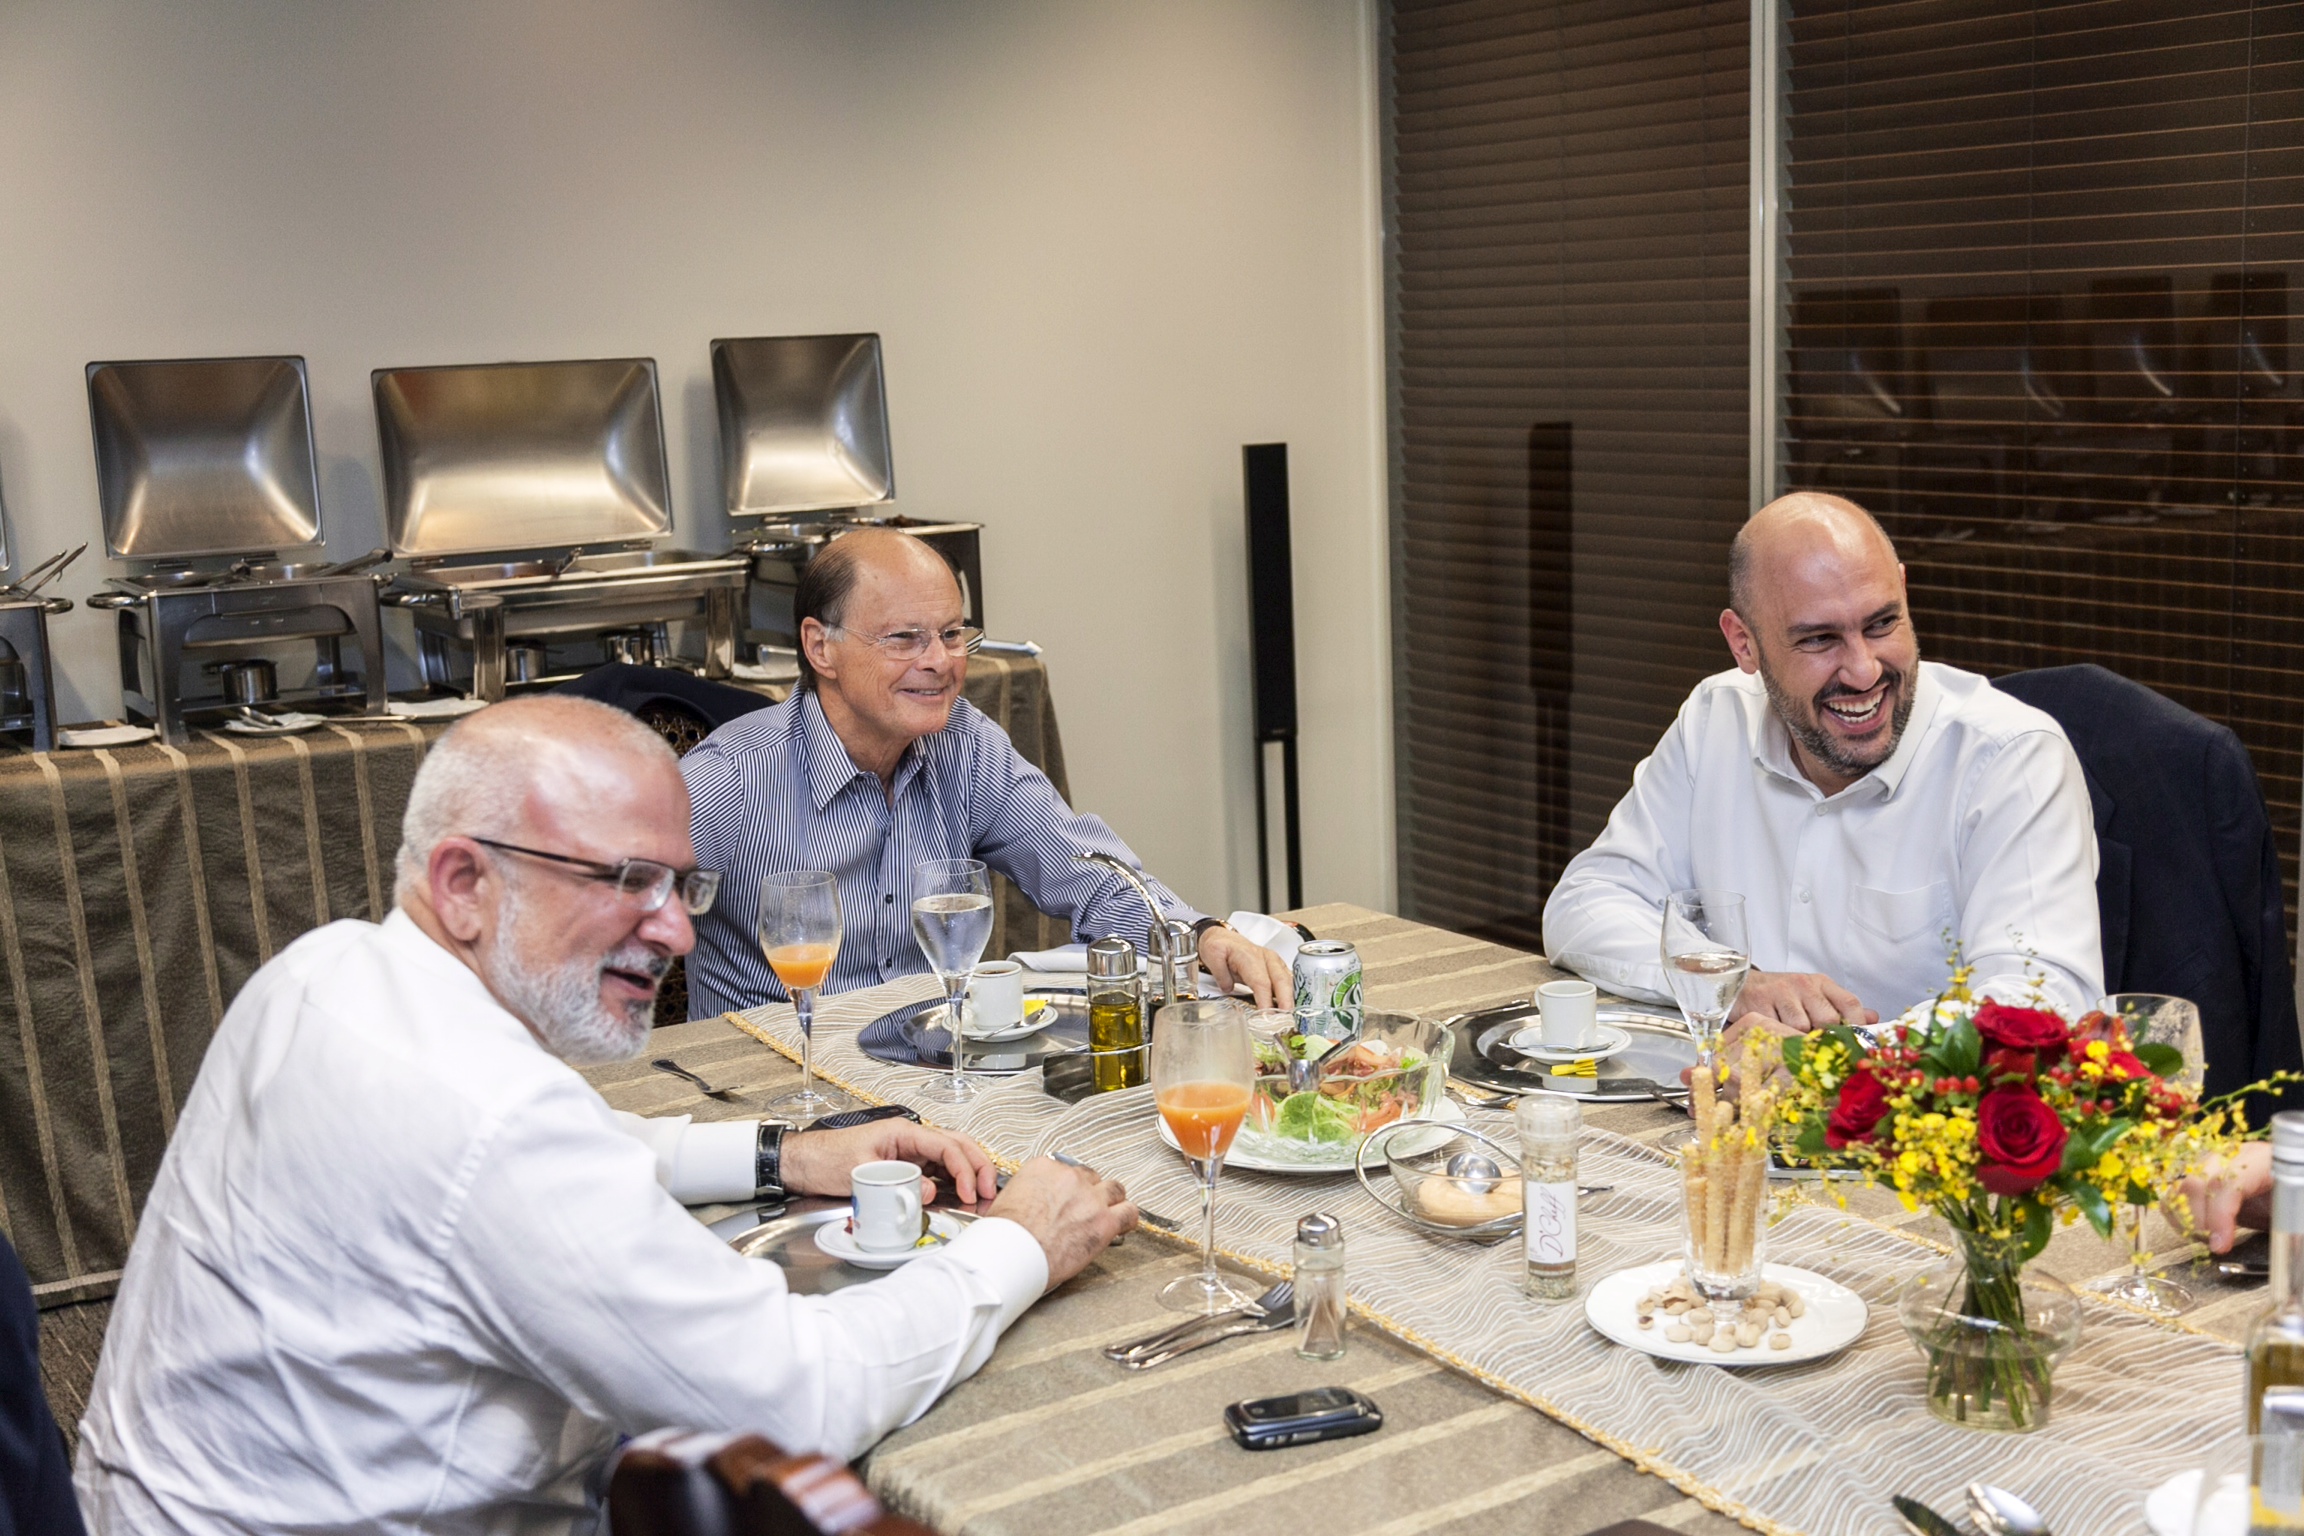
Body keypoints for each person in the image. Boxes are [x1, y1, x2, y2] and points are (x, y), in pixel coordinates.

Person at [74, 697, 1135, 1536]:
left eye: (680, 885)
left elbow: (545, 1155)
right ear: (463, 882)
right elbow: (800, 1395)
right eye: (626, 880)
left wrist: (785, 1153)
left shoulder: (325, 972)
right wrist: (1017, 1245)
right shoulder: (488, 1124)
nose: (675, 932)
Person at [1543, 491, 2104, 1028]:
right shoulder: (1715, 719)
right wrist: (1733, 983)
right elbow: (1586, 903)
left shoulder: (2012, 760)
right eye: (1819, 640)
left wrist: (1830, 1062)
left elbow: (2041, 1006)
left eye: (1883, 623)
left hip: (1911, 1120)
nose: (1863, 671)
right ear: (1744, 643)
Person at [681, 529, 1292, 1017]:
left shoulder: (964, 743)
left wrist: (1202, 935)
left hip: (936, 1069)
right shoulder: (728, 780)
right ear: (821, 649)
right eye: (905, 639)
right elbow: (597, 925)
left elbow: (1087, 875)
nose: (940, 662)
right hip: (787, 1092)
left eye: (952, 634)